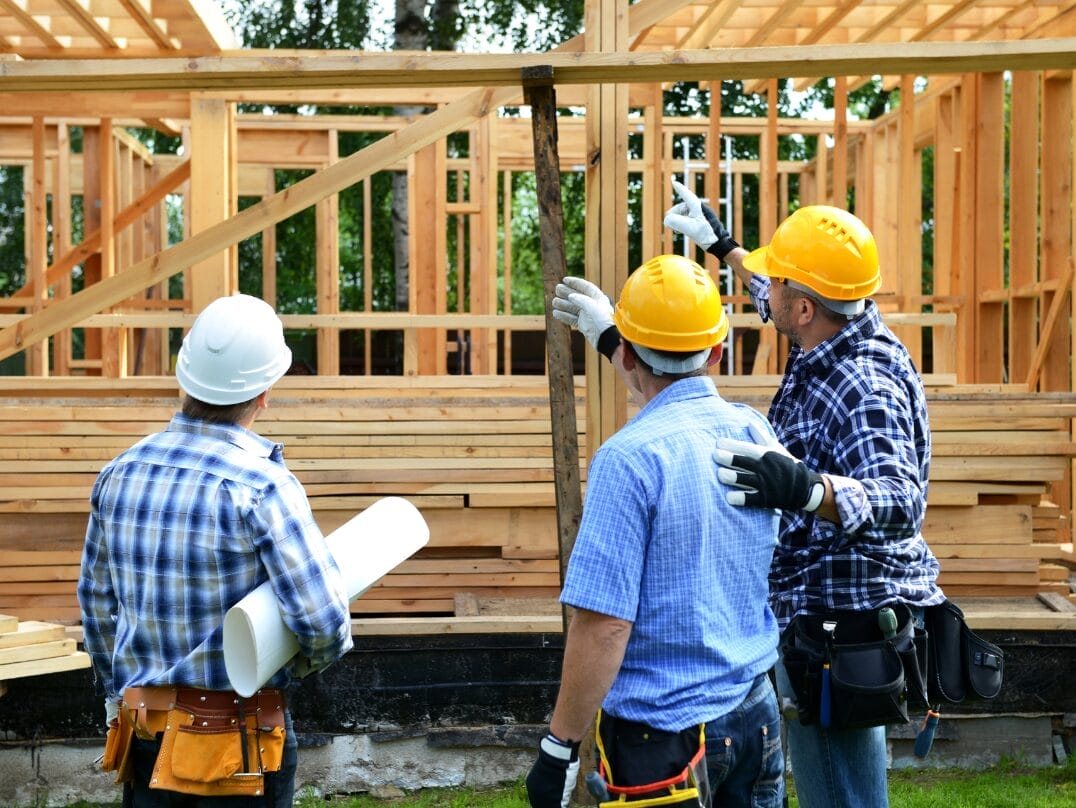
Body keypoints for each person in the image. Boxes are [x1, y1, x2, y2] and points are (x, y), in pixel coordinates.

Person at [663, 181, 946, 807]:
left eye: (781, 284)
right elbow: (778, 292)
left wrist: (810, 489)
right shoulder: (831, 325)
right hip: (818, 613)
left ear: (805, 309)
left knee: (838, 788)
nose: (771, 291)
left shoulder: (862, 384)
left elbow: (901, 502)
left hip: (841, 628)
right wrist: (726, 248)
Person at [526, 254, 785, 808]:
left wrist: (559, 744)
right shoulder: (753, 431)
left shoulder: (628, 459)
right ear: (718, 351)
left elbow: (603, 628)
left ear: (624, 352)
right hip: (753, 711)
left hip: (665, 740)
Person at [77, 293, 354, 807]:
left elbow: (96, 607)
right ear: (266, 391)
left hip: (145, 732)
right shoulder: (264, 486)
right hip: (241, 743)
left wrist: (120, 691)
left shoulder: (118, 473)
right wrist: (282, 668)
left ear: (184, 376)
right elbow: (322, 624)